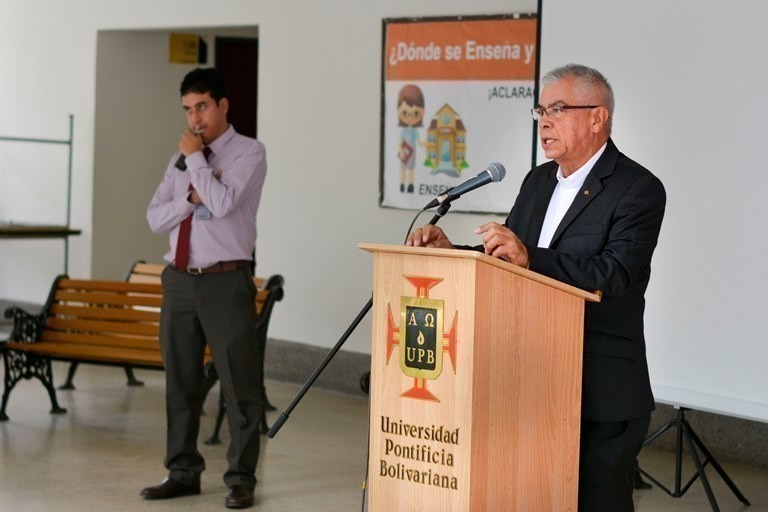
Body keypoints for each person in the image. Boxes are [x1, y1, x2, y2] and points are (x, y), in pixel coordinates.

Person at [406, 63, 665, 512]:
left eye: (558, 109)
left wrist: (532, 258)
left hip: (599, 388)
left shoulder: (636, 188)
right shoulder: (537, 181)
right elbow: (509, 257)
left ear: (598, 117)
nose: (544, 121)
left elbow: (615, 274)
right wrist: (455, 250)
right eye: (541, 110)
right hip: (531, 380)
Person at [142, 67, 267, 509]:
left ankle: (241, 478)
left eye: (202, 107)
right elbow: (155, 218)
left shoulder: (248, 153)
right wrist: (189, 195)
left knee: (239, 384)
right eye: (187, 109)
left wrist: (196, 164)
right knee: (181, 381)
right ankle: (182, 471)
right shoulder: (181, 159)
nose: (194, 118)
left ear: (223, 106)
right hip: (179, 281)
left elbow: (221, 201)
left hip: (224, 280)